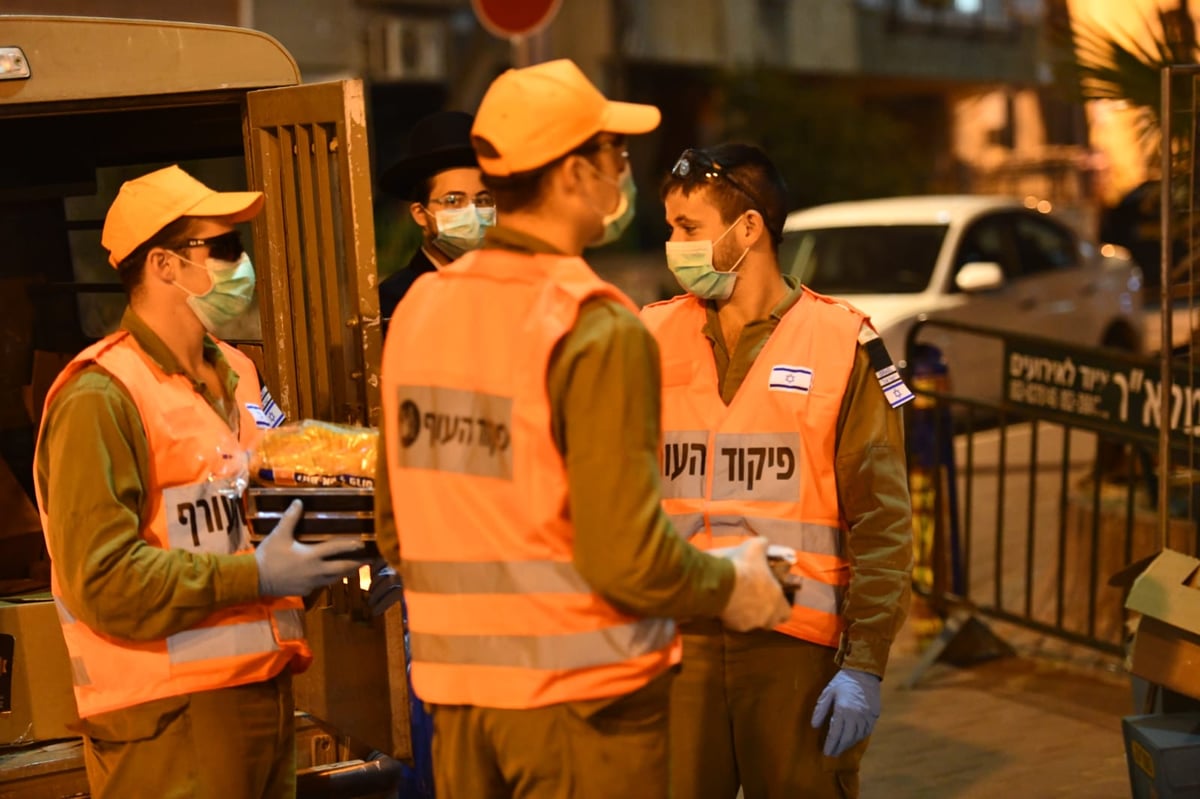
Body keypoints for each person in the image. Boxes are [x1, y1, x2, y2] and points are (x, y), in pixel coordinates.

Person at [375, 59, 791, 799]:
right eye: (615, 157)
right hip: (582, 710)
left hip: (459, 706)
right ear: (571, 175)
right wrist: (735, 582)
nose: (625, 174)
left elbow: (395, 526)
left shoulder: (417, 313)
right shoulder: (590, 324)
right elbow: (628, 560)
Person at [33, 165, 369, 799]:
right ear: (164, 265)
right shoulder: (99, 397)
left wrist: (335, 540)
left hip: (260, 696)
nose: (241, 266)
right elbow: (103, 581)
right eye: (223, 248)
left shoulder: (237, 371)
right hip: (167, 724)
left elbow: (246, 513)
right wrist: (261, 575)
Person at [641, 143, 914, 799]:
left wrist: (867, 664)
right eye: (671, 227)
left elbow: (882, 520)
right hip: (681, 648)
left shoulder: (844, 342)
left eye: (688, 228)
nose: (673, 244)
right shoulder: (645, 336)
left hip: (797, 652)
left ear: (749, 229)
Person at [377, 110, 496, 327]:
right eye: (453, 201)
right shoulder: (395, 301)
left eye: (482, 200)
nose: (472, 213)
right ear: (420, 214)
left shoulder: (509, 289)